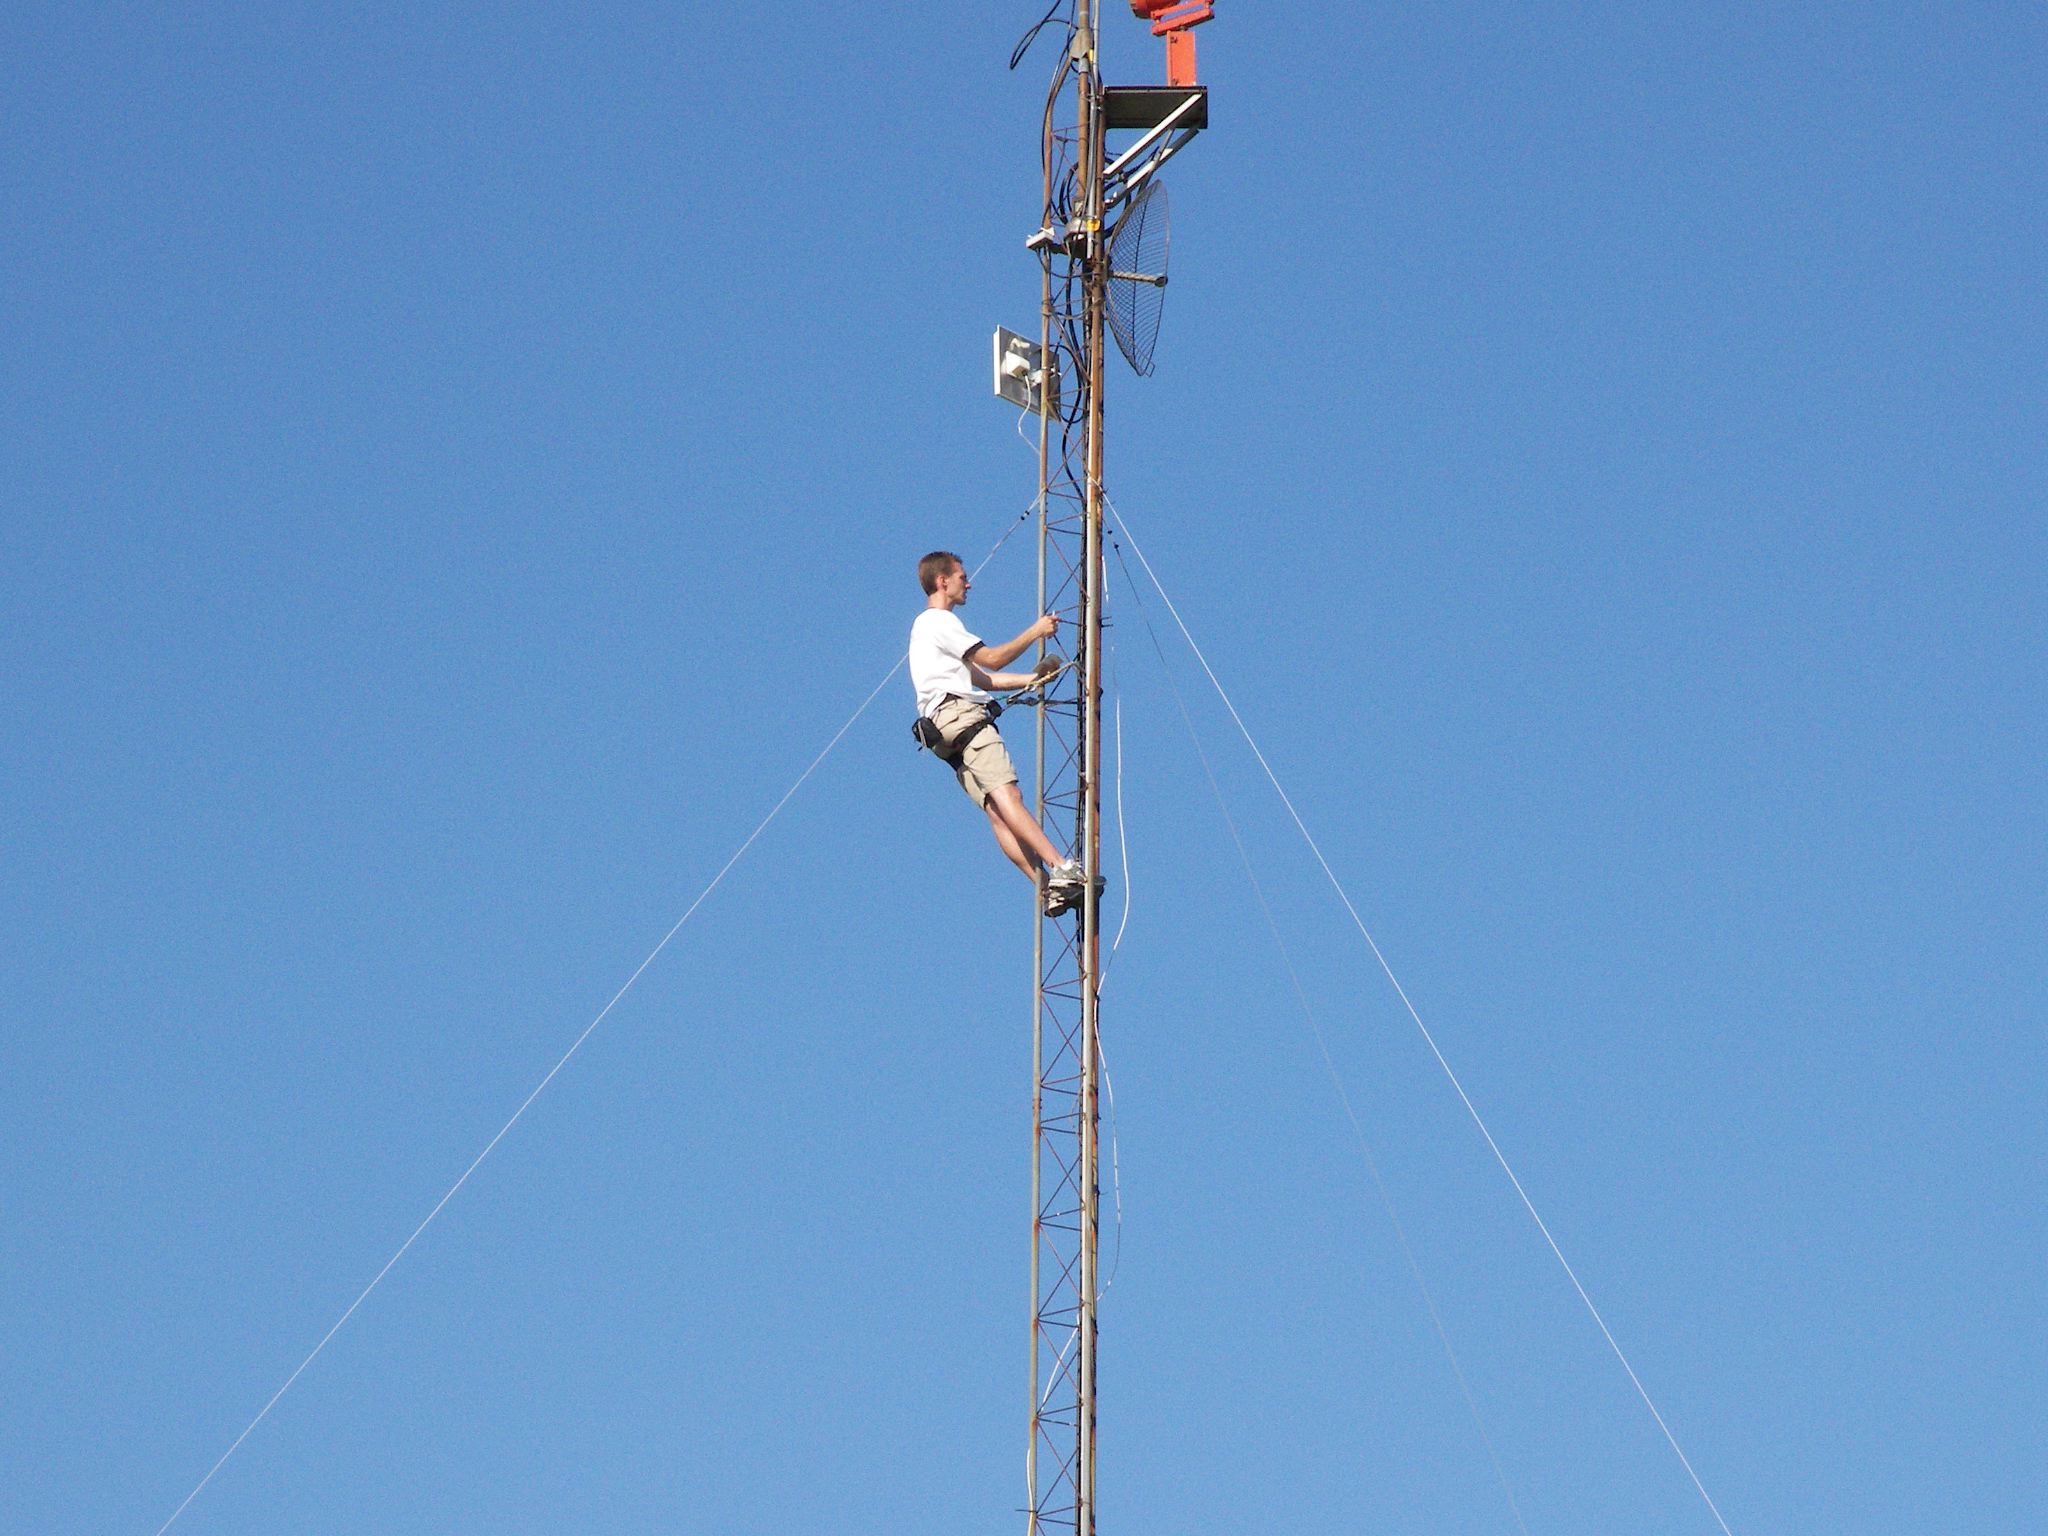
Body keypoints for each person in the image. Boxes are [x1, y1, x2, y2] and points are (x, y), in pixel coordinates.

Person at [909, 550, 1091, 916]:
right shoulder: (938, 621)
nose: (968, 582)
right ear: (943, 581)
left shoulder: (929, 632)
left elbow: (983, 679)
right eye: (962, 576)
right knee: (1009, 794)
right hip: (961, 717)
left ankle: (1048, 888)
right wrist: (1036, 631)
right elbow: (991, 659)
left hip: (942, 733)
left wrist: (1032, 678)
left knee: (996, 810)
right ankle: (1061, 867)